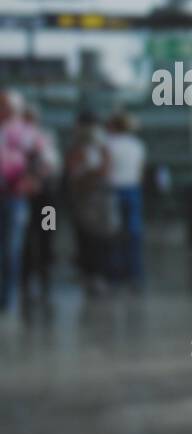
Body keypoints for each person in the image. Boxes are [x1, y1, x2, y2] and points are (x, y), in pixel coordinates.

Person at [0, 90, 46, 312]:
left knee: (12, 248)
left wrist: (32, 181)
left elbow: (40, 160)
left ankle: (7, 297)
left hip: (15, 198)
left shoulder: (26, 133)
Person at [66, 111, 115, 296]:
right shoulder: (77, 149)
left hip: (99, 200)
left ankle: (97, 274)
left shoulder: (102, 147)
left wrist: (91, 173)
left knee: (99, 238)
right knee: (87, 237)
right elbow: (76, 176)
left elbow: (104, 171)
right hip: (85, 200)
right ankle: (91, 274)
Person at [20, 106, 61, 305]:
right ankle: (28, 271)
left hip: (46, 196)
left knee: (47, 232)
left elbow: (52, 165)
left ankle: (45, 268)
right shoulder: (19, 140)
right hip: (29, 195)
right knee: (28, 234)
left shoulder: (45, 138)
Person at [103, 111, 146, 292]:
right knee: (133, 233)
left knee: (113, 233)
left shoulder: (108, 144)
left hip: (113, 190)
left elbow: (105, 169)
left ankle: (115, 273)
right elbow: (140, 171)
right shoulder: (137, 145)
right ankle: (134, 273)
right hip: (133, 189)